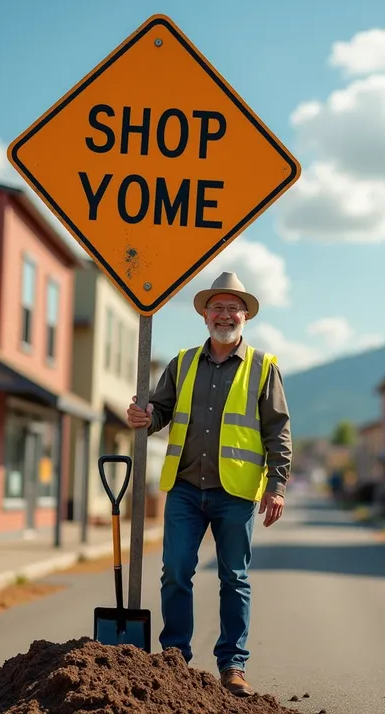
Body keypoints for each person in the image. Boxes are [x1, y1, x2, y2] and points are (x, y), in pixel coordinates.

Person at [126, 271, 292, 697]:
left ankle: (233, 665)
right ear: (203, 315)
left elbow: (278, 430)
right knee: (176, 570)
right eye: (216, 307)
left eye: (233, 307)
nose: (225, 314)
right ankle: (175, 657)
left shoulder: (262, 368)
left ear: (245, 316)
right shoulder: (181, 363)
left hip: (234, 492)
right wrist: (145, 417)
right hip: (184, 487)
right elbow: (158, 411)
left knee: (233, 577)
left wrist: (276, 485)